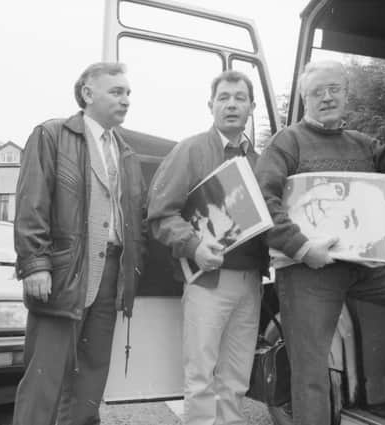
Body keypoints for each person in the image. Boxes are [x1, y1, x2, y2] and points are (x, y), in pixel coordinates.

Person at [255, 60, 385, 425]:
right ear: (304, 99)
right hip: (308, 271)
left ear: (346, 94)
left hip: (365, 267)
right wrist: (301, 248)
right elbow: (262, 202)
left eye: (334, 89)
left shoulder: (362, 144)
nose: (326, 97)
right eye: (317, 92)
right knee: (310, 373)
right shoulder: (288, 141)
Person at [12, 62, 147, 425]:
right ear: (88, 94)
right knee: (46, 379)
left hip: (111, 275)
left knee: (92, 375)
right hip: (65, 272)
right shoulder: (52, 134)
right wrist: (35, 264)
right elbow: (31, 203)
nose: (126, 99)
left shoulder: (125, 151)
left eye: (128, 93)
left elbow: (133, 220)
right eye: (116, 91)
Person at [148, 70, 268, 425]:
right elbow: (158, 214)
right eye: (224, 97)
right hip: (207, 281)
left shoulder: (260, 162)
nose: (231, 104)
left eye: (240, 98)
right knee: (200, 377)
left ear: (251, 107)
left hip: (251, 283)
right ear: (210, 105)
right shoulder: (190, 150)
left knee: (236, 378)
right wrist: (194, 245)